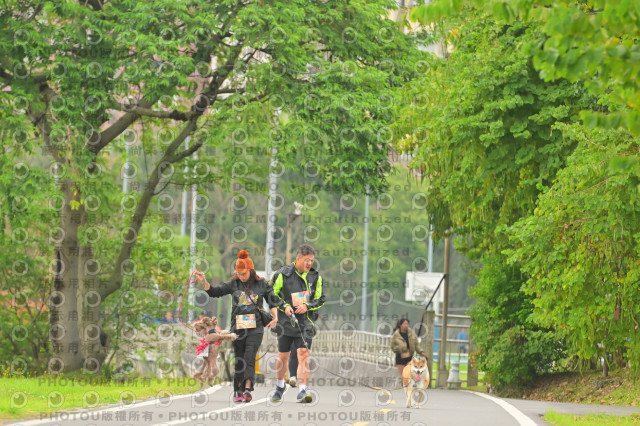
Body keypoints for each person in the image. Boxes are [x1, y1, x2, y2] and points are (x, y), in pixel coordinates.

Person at [194, 250, 278, 403]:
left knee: (249, 357)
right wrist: (204, 281)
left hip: (256, 328)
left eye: (243, 273)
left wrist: (275, 317)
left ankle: (247, 389)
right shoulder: (234, 284)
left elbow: (272, 301)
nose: (241, 276)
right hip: (238, 328)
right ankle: (238, 390)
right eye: (238, 273)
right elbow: (214, 292)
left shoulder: (261, 284)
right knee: (239, 360)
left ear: (250, 271)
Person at [271, 244, 325, 403]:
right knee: (283, 356)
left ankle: (302, 390)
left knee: (304, 354)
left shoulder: (316, 277)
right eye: (307, 260)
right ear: (298, 259)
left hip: (305, 323)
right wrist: (285, 306)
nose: (310, 263)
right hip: (285, 322)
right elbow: (271, 294)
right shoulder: (283, 274)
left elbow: (320, 298)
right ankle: (280, 386)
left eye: (312, 260)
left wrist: (307, 305)